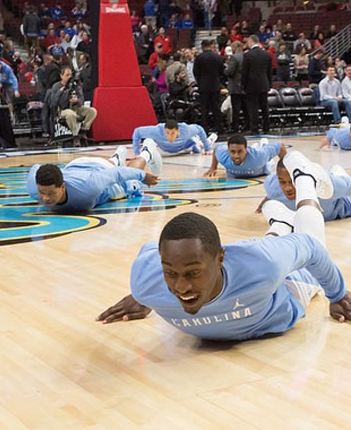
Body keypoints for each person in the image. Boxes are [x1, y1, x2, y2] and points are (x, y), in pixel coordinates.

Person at [98, 151, 351, 338]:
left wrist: (337, 294)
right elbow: (152, 257)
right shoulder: (146, 283)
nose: (181, 286)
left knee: (311, 241)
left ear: (221, 259)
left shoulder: (266, 265)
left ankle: (304, 178)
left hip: (287, 285)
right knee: (258, 256)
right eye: (171, 273)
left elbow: (311, 248)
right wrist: (146, 296)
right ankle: (280, 223)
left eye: (193, 273)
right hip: (256, 260)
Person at [26, 145, 161, 213]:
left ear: (62, 187)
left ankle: (147, 152)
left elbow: (117, 174)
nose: (45, 199)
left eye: (51, 193)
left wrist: (143, 176)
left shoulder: (89, 187)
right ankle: (116, 157)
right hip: (74, 166)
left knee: (131, 183)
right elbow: (36, 167)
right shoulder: (33, 188)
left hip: (98, 169)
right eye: (42, 193)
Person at [257, 157, 351, 223]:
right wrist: (269, 197)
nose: (287, 188)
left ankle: (336, 170)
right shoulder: (271, 185)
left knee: (337, 170)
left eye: (292, 182)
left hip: (344, 203)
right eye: (282, 182)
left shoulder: (326, 185)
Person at [45, 65, 97, 138]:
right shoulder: (56, 86)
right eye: (67, 75)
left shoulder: (75, 85)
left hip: (76, 107)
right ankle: (75, 135)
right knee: (70, 114)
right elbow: (53, 103)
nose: (69, 77)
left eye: (70, 75)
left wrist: (77, 100)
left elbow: (82, 99)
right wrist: (61, 92)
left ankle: (84, 130)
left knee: (92, 111)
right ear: (61, 76)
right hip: (63, 109)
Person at [205, 134, 285, 178]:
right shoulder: (223, 154)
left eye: (240, 152)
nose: (236, 156)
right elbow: (216, 149)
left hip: (264, 167)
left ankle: (264, 144)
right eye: (232, 152)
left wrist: (286, 168)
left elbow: (280, 146)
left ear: (246, 150)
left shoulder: (259, 157)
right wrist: (213, 167)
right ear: (228, 150)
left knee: (264, 153)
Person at [242, 35, 272, 134]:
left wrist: (243, 85)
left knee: (253, 108)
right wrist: (269, 84)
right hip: (264, 84)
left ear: (251, 42)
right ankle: (266, 128)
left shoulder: (247, 55)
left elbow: (245, 72)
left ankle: (254, 128)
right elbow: (269, 72)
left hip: (252, 85)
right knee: (264, 107)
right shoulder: (266, 54)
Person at [132, 120, 215, 156]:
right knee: (148, 141)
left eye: (172, 133)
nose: (170, 136)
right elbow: (137, 132)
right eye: (167, 133)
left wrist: (207, 148)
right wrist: (137, 153)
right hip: (167, 149)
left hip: (185, 145)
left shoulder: (186, 130)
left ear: (178, 131)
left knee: (198, 146)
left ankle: (209, 139)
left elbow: (199, 129)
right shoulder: (157, 131)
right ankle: (197, 144)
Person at [193, 39, 224, 134]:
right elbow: (222, 72)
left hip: (203, 86)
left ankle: (205, 130)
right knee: (216, 108)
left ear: (202, 46)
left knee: (204, 109)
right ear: (210, 46)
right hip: (215, 85)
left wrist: (200, 82)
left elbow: (195, 72)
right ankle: (219, 129)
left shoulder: (199, 58)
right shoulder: (217, 57)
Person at [225, 40, 247, 132]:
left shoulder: (234, 58)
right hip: (245, 86)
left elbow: (229, 72)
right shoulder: (246, 56)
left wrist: (225, 68)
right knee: (246, 108)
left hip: (236, 87)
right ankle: (247, 126)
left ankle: (235, 127)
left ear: (234, 47)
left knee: (236, 109)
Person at [0, 57, 20, 122]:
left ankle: (11, 114)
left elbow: (14, 79)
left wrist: (16, 90)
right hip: (0, 83)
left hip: (9, 84)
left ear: (0, 65)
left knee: (9, 100)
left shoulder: (7, 68)